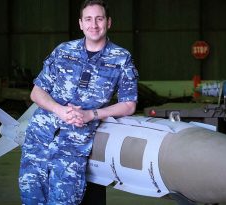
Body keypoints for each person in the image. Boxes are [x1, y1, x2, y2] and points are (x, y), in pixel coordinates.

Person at [18, 0, 138, 204]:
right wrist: (59, 110)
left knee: (64, 200)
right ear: (80, 23)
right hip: (39, 138)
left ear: (108, 22)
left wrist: (92, 114)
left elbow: (129, 105)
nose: (94, 25)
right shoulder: (63, 51)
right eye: (88, 19)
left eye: (99, 19)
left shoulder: (121, 58)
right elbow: (37, 92)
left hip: (74, 145)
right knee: (31, 197)